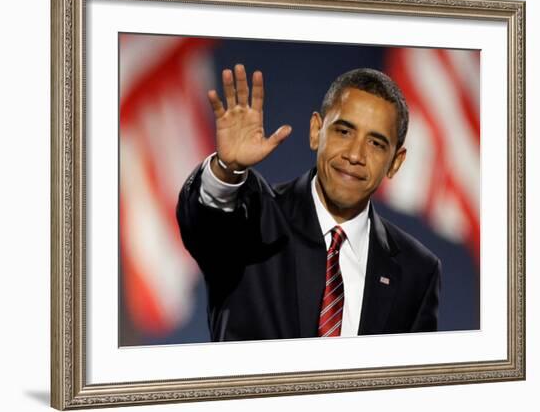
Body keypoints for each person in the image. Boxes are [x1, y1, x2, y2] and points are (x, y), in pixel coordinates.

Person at [176, 64, 441, 341]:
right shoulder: (252, 218)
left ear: (395, 163)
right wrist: (227, 170)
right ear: (316, 131)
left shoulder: (418, 270)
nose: (355, 155)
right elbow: (205, 222)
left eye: (375, 143)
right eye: (344, 132)